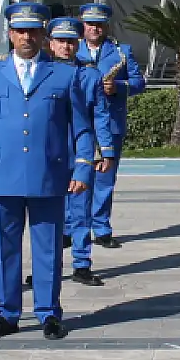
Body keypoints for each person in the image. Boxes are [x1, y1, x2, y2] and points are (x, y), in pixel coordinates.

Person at [0, 1, 103, 341]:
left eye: (33, 31)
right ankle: (7, 313)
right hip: (2, 176)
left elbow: (81, 129)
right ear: (10, 34)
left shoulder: (66, 75)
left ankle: (49, 313)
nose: (27, 37)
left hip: (49, 176)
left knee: (48, 250)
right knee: (5, 250)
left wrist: (82, 170)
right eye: (20, 31)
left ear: (44, 35)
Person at [47, 16, 114, 287]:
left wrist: (105, 151)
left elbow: (100, 114)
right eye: (61, 41)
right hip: (48, 149)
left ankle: (82, 263)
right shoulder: (42, 72)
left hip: (79, 148)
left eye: (71, 42)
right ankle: (47, 266)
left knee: (81, 208)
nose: (66, 47)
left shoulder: (89, 74)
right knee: (48, 211)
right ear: (50, 44)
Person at [75, 3, 145, 249]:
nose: (94, 28)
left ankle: (101, 228)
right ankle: (72, 227)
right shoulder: (70, 49)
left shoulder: (121, 51)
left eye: (98, 24)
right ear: (82, 25)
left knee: (105, 179)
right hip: (79, 123)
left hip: (111, 123)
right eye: (89, 24)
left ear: (106, 26)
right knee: (75, 177)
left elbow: (139, 82)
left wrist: (120, 87)